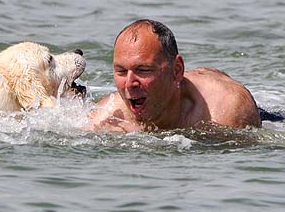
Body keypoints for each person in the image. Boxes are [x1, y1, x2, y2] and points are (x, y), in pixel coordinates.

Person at [88, 19, 261, 132]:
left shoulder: (226, 111)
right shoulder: (103, 119)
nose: (129, 84)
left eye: (143, 70)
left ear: (177, 70)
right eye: (121, 71)